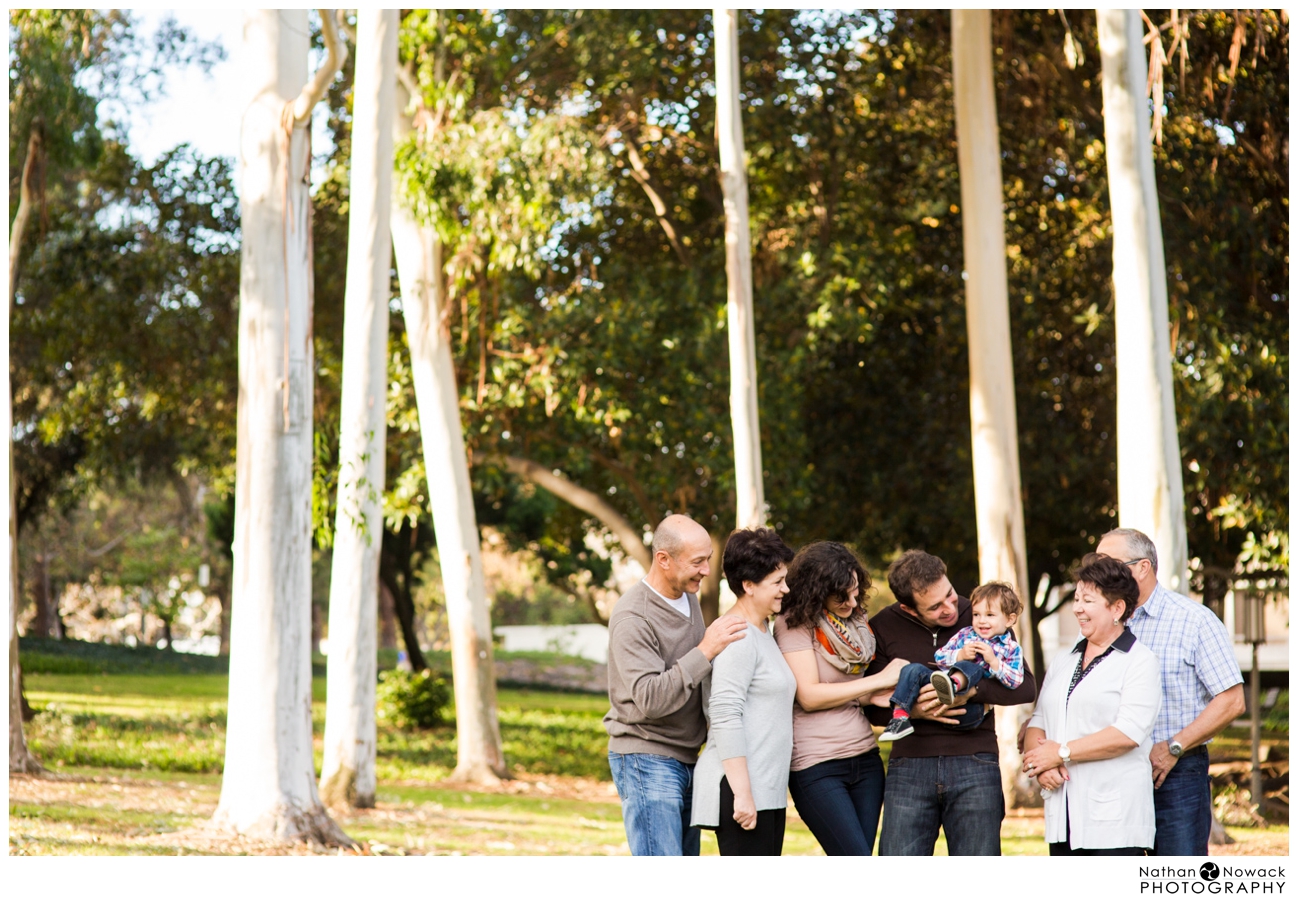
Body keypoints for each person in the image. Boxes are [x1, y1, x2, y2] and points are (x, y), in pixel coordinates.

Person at [864, 549, 1036, 856]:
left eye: (950, 594)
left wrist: (971, 691)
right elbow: (869, 705)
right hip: (910, 766)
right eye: (935, 606)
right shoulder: (882, 626)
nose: (950, 608)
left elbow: (1025, 687)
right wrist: (915, 710)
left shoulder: (983, 612)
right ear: (908, 608)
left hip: (974, 761)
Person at [604, 514, 749, 856]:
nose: (706, 571)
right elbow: (650, 699)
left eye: (708, 560)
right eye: (697, 562)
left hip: (687, 758)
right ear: (663, 559)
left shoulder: (688, 598)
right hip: (646, 758)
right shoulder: (632, 617)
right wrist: (706, 649)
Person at [1095, 528, 1245, 857]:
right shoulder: (1103, 624)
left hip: (1176, 774)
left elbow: (1232, 700)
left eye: (1109, 562)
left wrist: (1174, 747)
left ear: (1143, 567)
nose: (1100, 571)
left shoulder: (1193, 621)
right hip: (1113, 775)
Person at [773, 542, 908, 856]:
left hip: (866, 760)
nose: (852, 602)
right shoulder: (793, 623)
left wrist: (873, 696)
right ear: (816, 590)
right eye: (841, 595)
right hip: (817, 766)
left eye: (855, 591)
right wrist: (880, 680)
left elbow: (851, 690)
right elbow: (809, 695)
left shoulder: (853, 623)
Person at [1022, 554, 1162, 855]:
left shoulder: (1140, 662)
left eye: (1087, 600)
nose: (1077, 608)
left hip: (1115, 821)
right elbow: (1038, 719)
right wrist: (1039, 763)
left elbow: (1128, 733)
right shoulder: (1065, 658)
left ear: (1117, 608)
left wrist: (1059, 754)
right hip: (1063, 815)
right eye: (1075, 599)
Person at [691, 528, 798, 855]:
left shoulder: (763, 630)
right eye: (777, 582)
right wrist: (743, 794)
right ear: (749, 585)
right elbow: (723, 715)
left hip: (767, 790)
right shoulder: (737, 637)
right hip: (742, 790)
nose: (786, 588)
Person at [879, 581, 1024, 742]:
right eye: (976, 614)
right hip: (939, 683)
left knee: (971, 666)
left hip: (966, 710)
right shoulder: (965, 635)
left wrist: (994, 662)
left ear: (1010, 620)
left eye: (990, 615)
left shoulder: (1011, 648)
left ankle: (952, 686)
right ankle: (899, 718)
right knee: (911, 669)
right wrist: (959, 654)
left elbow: (1017, 681)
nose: (981, 621)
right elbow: (940, 657)